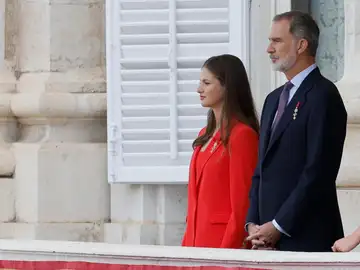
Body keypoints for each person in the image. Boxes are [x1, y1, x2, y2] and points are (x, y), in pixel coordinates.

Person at [245, 11, 347, 252]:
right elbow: (261, 168)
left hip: (306, 238)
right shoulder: (272, 99)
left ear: (302, 45)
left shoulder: (324, 96)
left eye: (277, 41)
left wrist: (278, 226)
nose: (269, 49)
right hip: (265, 241)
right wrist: (253, 224)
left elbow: (318, 173)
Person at [181, 54, 259, 249]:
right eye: (200, 83)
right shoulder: (204, 135)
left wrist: (227, 255)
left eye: (206, 83)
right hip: (195, 243)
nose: (199, 89)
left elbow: (241, 205)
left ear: (227, 86)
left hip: (222, 245)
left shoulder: (242, 135)